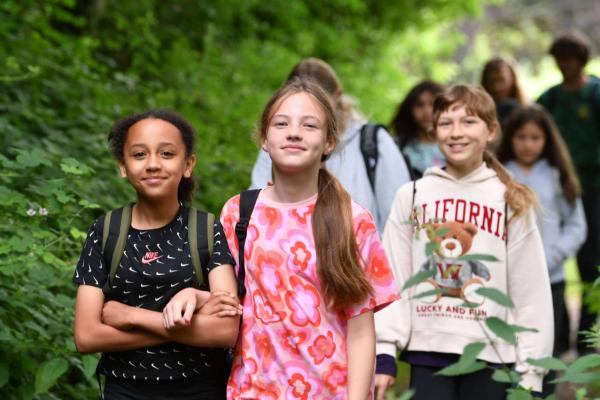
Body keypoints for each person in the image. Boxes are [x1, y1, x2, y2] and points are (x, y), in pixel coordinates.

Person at [221, 78, 399, 399]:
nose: (294, 132)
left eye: (309, 125)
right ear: (264, 138)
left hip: (330, 392)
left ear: (329, 142)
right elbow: (222, 303)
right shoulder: (238, 213)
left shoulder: (352, 220)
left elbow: (361, 331)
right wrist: (188, 297)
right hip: (252, 392)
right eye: (281, 123)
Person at [374, 85, 553, 400]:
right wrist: (385, 350)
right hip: (428, 352)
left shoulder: (510, 199)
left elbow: (531, 292)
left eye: (469, 122)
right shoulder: (412, 195)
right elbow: (393, 278)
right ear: (434, 129)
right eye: (446, 123)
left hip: (493, 356)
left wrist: (532, 373)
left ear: (491, 131)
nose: (456, 132)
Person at [73, 110, 241, 400]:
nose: (152, 164)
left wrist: (129, 315)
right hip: (125, 390)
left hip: (201, 388)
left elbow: (225, 331)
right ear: (123, 166)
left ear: (188, 164)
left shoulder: (205, 229)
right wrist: (183, 329)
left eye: (166, 154)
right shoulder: (105, 232)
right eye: (139, 155)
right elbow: (87, 336)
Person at [250, 57, 411, 233]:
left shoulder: (373, 142)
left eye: (310, 122)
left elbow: (400, 217)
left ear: (337, 95)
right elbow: (257, 214)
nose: (295, 132)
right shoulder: (280, 145)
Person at [497, 104, 587, 396]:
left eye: (535, 138)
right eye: (521, 137)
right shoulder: (498, 174)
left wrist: (550, 257)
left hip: (551, 280)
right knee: (505, 350)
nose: (528, 144)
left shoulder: (557, 175)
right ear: (510, 138)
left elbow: (576, 226)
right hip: (505, 282)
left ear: (547, 140)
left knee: (544, 351)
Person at [537, 31, 600, 355]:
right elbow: (534, 128)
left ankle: (588, 340)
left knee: (591, 263)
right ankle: (558, 338)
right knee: (550, 259)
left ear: (581, 60)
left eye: (570, 59)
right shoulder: (551, 99)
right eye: (560, 60)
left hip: (593, 188)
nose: (564, 66)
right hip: (557, 189)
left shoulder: (595, 93)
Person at [390, 80, 446, 178]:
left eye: (432, 104)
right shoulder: (399, 147)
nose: (427, 111)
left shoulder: (456, 145)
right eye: (420, 105)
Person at [481, 57, 525, 125]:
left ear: (513, 80)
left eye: (501, 80)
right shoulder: (479, 114)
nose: (496, 87)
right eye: (491, 81)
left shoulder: (525, 111)